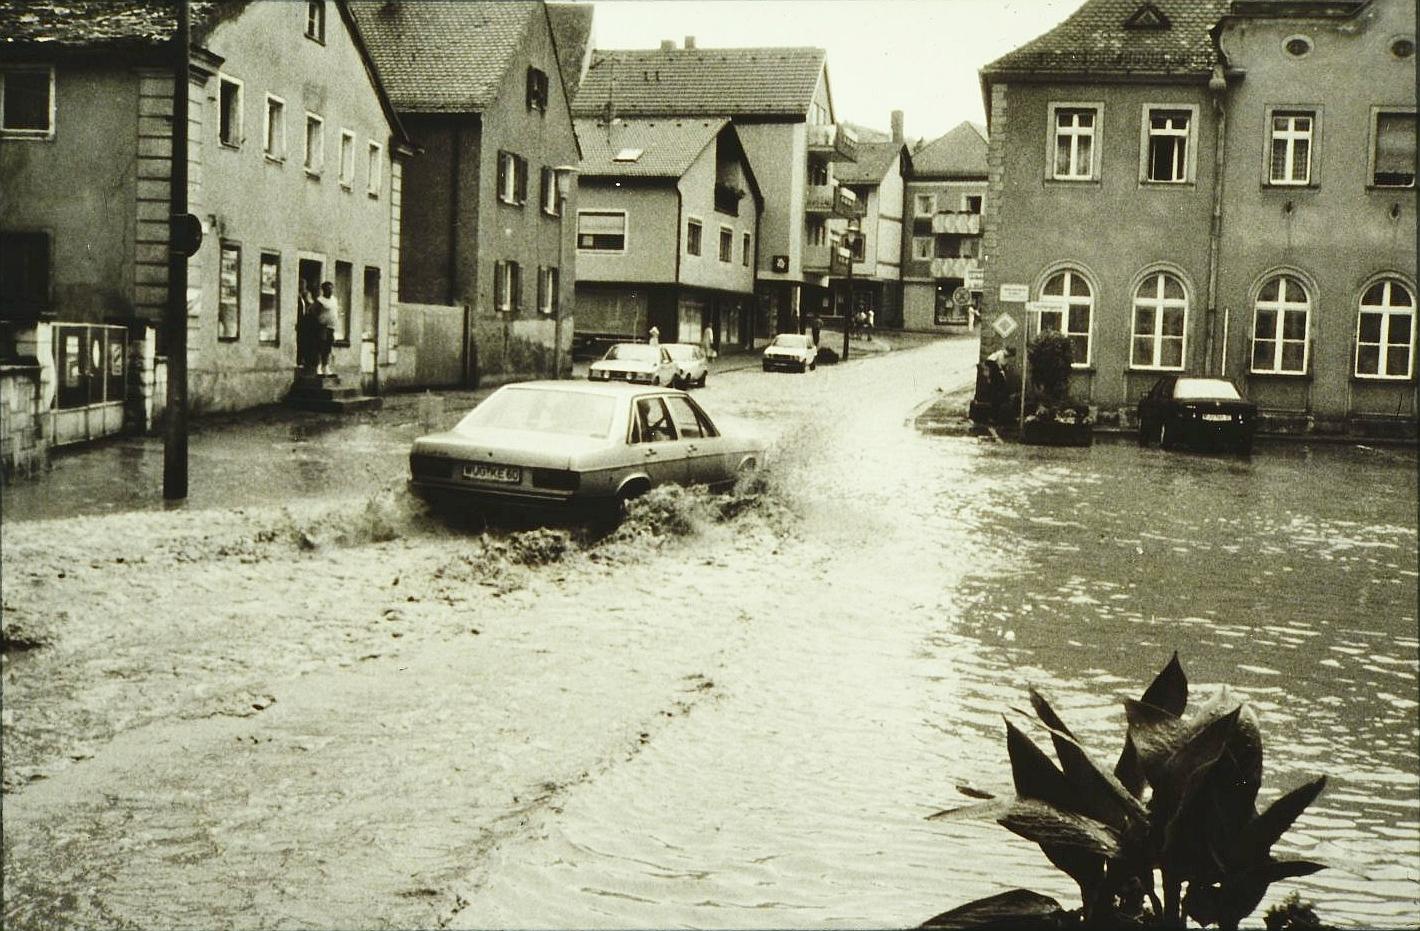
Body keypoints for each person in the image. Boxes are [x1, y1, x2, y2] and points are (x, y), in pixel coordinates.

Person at [315, 281, 339, 376]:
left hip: (331, 327)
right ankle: (318, 367)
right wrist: (319, 322)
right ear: (323, 290)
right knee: (321, 346)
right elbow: (313, 312)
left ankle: (326, 367)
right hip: (322, 327)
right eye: (328, 289)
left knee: (328, 348)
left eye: (331, 288)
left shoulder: (334, 299)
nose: (330, 291)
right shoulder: (320, 301)